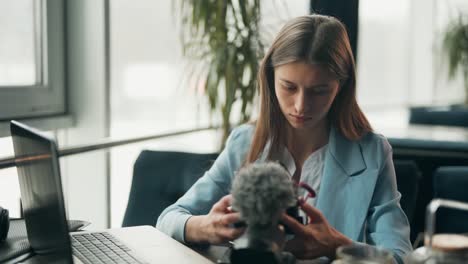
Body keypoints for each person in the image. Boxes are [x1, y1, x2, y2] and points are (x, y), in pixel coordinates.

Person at [157, 14, 412, 263]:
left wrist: (337, 246)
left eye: (319, 91)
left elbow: (400, 256)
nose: (301, 106)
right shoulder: (244, 142)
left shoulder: (372, 153)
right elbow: (169, 219)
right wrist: (204, 227)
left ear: (341, 87)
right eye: (289, 87)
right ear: (270, 78)